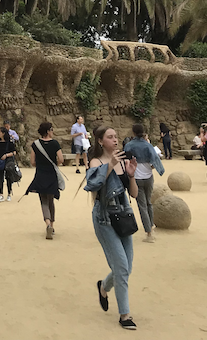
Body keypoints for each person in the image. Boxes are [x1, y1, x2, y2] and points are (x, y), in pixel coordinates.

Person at [85, 124, 139, 330]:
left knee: (126, 267)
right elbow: (93, 184)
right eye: (110, 137)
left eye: (116, 136)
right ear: (100, 141)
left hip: (123, 216)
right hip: (104, 219)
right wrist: (110, 166)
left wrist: (132, 175)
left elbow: (133, 195)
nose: (115, 140)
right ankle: (125, 315)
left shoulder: (123, 163)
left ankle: (103, 287)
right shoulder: (96, 162)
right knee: (122, 267)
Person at [124, 123, 165, 243]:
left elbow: (125, 160)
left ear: (133, 132)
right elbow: (155, 162)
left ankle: (149, 232)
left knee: (142, 205)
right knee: (149, 203)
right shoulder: (148, 146)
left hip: (136, 178)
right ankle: (151, 225)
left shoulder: (129, 145)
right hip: (148, 177)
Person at [25, 121, 63, 239]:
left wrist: (41, 165)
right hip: (52, 175)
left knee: (43, 201)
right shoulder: (55, 143)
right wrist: (52, 164)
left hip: (40, 174)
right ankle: (52, 224)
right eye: (52, 129)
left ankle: (47, 224)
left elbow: (32, 162)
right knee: (51, 200)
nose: (53, 132)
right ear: (48, 131)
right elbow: (61, 159)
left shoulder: (35, 144)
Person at [0, 126, 17, 202]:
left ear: (3, 133)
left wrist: (6, 155)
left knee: (8, 178)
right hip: (0, 162)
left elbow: (14, 152)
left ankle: (9, 194)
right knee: (0, 178)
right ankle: (1, 194)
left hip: (8, 162)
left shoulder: (9, 142)